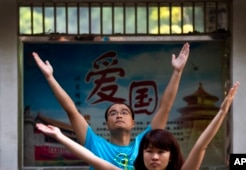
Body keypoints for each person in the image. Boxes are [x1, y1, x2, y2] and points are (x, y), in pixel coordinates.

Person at [32, 42, 190, 169]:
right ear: (107, 123)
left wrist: (177, 73)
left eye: (124, 112)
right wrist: (50, 77)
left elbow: (165, 107)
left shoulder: (144, 144)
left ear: (133, 122)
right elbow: (71, 110)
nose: (119, 115)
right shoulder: (94, 143)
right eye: (113, 113)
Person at [36, 81, 239, 170]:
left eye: (161, 152)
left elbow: (200, 146)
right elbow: (89, 155)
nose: (154, 156)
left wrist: (222, 111)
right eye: (150, 152)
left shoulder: (145, 140)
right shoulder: (96, 145)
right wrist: (60, 136)